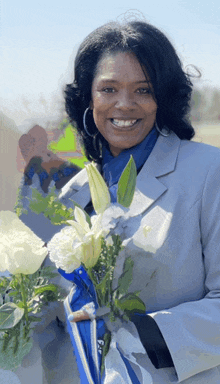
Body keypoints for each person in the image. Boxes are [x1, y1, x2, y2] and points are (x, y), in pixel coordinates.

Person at [56, 20, 220, 384]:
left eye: (143, 90)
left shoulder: (210, 172)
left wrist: (137, 336)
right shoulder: (75, 193)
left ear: (163, 97)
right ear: (88, 98)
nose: (124, 104)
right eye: (109, 89)